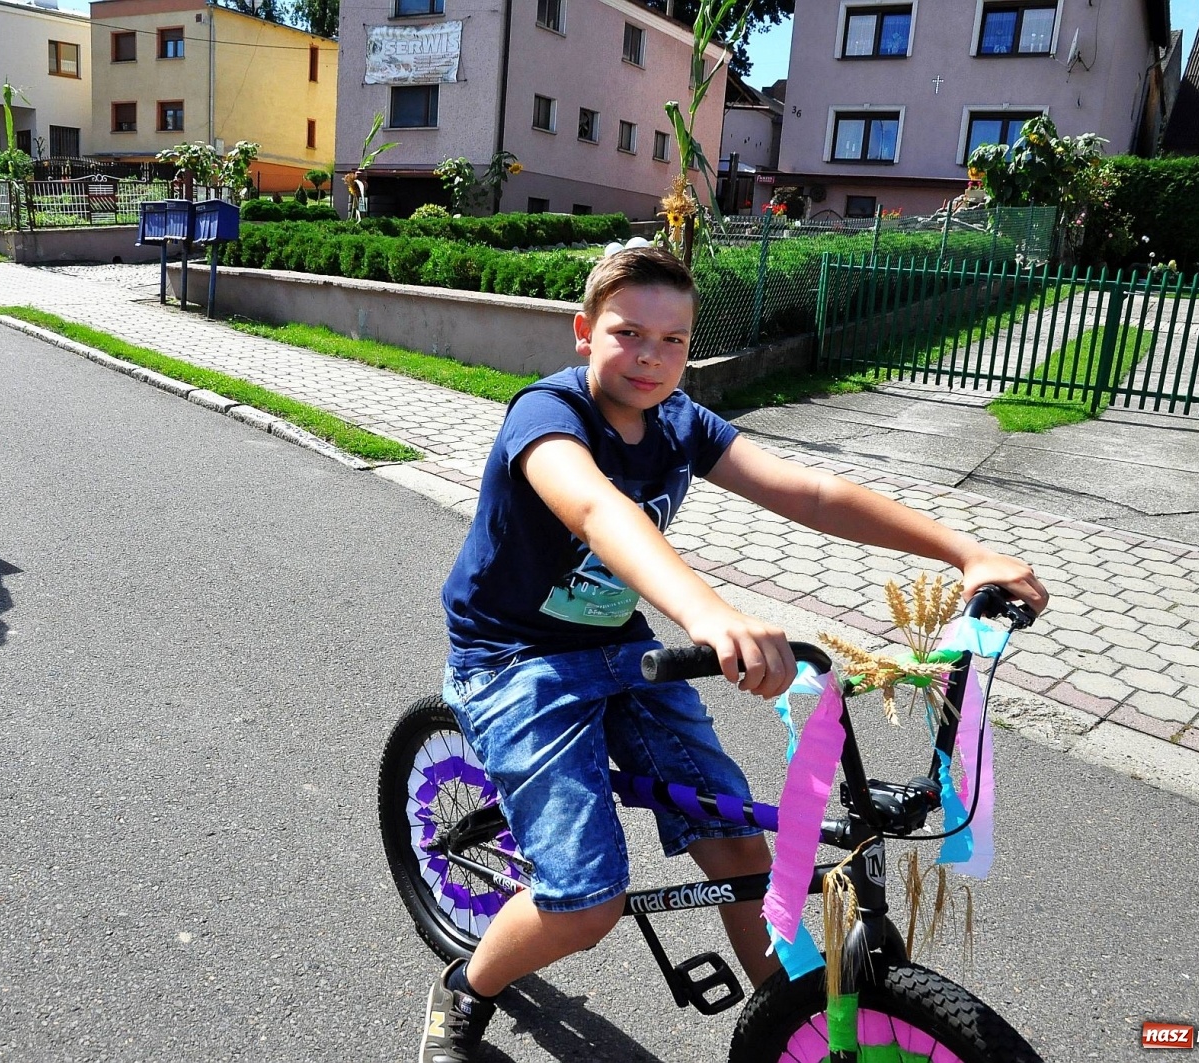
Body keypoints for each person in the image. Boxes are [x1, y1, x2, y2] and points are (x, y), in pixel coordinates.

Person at [421, 247, 1049, 1062]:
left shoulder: (679, 422)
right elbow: (596, 509)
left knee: (743, 851)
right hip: (514, 660)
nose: (652, 355)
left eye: (674, 340)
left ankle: (802, 1029)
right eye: (629, 332)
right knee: (585, 904)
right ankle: (464, 988)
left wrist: (966, 552)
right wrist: (712, 613)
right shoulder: (547, 418)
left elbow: (808, 492)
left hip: (620, 651)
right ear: (584, 333)